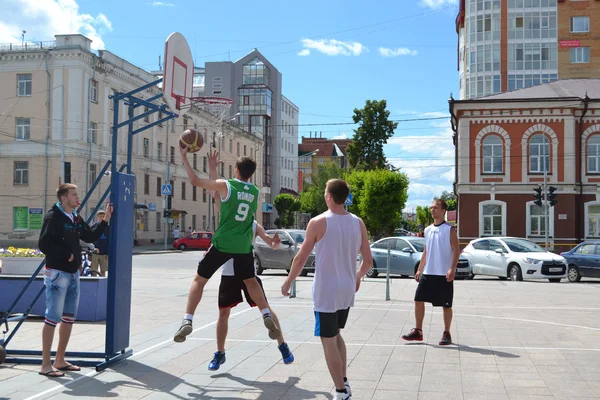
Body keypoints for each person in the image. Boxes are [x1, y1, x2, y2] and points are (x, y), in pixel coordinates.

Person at [174, 144, 279, 343]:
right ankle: (265, 313)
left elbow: (196, 181)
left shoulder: (226, 185)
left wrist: (184, 157)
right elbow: (220, 197)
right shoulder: (255, 192)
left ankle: (187, 319)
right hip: (243, 246)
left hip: (223, 243)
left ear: (236, 170)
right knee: (250, 281)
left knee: (199, 280)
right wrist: (214, 169)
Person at [281, 179, 373, 400]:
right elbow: (368, 260)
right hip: (346, 288)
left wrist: (288, 281)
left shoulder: (318, 222)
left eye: (325, 192)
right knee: (336, 334)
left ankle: (341, 391)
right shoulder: (357, 222)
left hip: (327, 290)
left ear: (329, 196)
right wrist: (358, 277)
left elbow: (301, 257)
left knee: (328, 340)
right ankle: (344, 381)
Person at [202, 150, 293, 370]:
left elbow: (216, 193)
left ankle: (283, 345)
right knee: (224, 313)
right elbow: (218, 194)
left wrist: (273, 241)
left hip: (246, 273)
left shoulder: (252, 224)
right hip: (230, 274)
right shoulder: (238, 217)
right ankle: (220, 353)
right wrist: (274, 242)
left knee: (266, 308)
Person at [37, 183, 112, 378]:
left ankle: (59, 360)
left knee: (69, 317)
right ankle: (45, 365)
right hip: (57, 274)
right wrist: (67, 255)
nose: (77, 197)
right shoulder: (54, 217)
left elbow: (89, 235)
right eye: (74, 194)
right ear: (64, 198)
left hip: (73, 274)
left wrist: (105, 221)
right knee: (52, 317)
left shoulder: (74, 217)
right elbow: (44, 244)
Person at [402, 198, 460, 346]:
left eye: (435, 207)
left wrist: (452, 268)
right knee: (418, 299)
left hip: (443, 274)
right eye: (431, 207)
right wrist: (420, 268)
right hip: (429, 273)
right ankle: (418, 331)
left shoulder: (449, 229)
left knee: (446, 305)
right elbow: (426, 251)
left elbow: (456, 250)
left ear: (443, 211)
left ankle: (447, 333)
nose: (432, 210)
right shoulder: (427, 230)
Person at [90, 209, 109, 276]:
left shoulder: (107, 228)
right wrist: (91, 250)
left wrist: (108, 253)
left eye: (103, 216)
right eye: (100, 216)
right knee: (94, 270)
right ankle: (94, 283)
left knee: (103, 271)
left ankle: (102, 284)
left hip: (104, 253)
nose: (101, 218)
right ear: (97, 217)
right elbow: (89, 239)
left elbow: (109, 240)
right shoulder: (94, 226)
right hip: (95, 252)